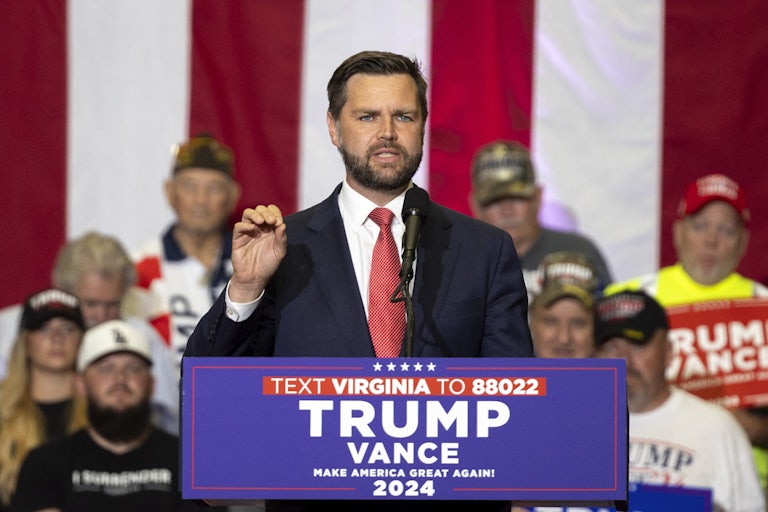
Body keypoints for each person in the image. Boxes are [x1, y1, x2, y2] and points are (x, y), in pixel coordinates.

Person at [184, 50, 533, 512]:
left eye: (403, 116)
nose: (387, 132)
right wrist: (246, 289)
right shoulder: (285, 250)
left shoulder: (485, 251)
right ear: (333, 127)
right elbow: (209, 388)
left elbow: (515, 405)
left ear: (423, 125)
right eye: (367, 116)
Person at [605, 173, 768, 485]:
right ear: (678, 231)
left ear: (744, 241)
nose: (711, 240)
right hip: (644, 477)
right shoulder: (629, 299)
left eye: (726, 229)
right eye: (700, 226)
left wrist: (751, 428)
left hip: (744, 483)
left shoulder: (763, 307)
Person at [594, 290, 765, 512]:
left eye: (637, 344)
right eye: (610, 347)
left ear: (668, 352)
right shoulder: (570, 428)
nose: (624, 359)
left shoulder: (717, 429)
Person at [10, 319, 208, 512]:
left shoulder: (190, 464)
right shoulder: (45, 464)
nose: (120, 378)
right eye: (105, 368)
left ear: (151, 384)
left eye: (133, 368)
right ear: (80, 383)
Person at [129, 133, 241, 372]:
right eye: (190, 187)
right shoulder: (137, 269)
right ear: (169, 192)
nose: (201, 200)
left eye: (214, 188)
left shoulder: (257, 266)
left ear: (233, 196)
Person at [469, 140, 613, 298]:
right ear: (476, 206)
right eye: (494, 200)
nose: (507, 210)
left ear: (538, 197)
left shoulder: (579, 253)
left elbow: (608, 319)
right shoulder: (458, 265)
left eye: (517, 197)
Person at [0, 289, 88, 511]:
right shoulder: (2, 416)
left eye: (68, 328)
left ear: (83, 341)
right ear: (25, 342)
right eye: (44, 328)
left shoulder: (105, 414)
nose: (57, 338)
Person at [528, 251, 599, 358]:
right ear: (531, 322)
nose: (564, 339)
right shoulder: (502, 373)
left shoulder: (619, 373)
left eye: (578, 323)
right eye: (550, 322)